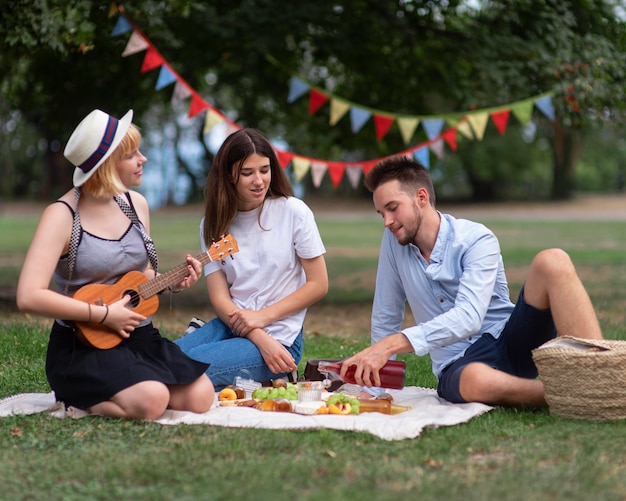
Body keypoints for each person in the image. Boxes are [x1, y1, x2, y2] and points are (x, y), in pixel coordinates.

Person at [340, 156, 604, 407]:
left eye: (392, 208)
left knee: (553, 260)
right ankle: (571, 396)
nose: (387, 221)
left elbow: (469, 317)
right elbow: (386, 313)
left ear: (421, 197)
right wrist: (374, 389)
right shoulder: (393, 242)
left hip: (511, 340)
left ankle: (603, 375)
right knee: (476, 380)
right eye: (380, 213)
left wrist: (392, 344)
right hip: (459, 366)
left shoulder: (477, 239)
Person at [16, 109, 215, 420]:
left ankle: (134, 387)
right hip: (83, 344)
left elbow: (139, 276)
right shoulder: (62, 216)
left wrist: (169, 282)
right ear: (107, 163)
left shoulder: (137, 205)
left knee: (202, 395)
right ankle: (78, 399)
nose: (143, 159)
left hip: (138, 337)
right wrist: (104, 315)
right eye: (132, 154)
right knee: (153, 400)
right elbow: (28, 295)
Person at [174, 128, 328, 390]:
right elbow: (220, 298)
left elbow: (319, 284)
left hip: (281, 338)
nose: (259, 181)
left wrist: (264, 320)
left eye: (264, 170)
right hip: (234, 324)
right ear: (229, 176)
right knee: (164, 357)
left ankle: (273, 373)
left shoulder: (293, 211)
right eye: (248, 173)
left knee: (188, 367)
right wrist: (255, 333)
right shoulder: (211, 225)